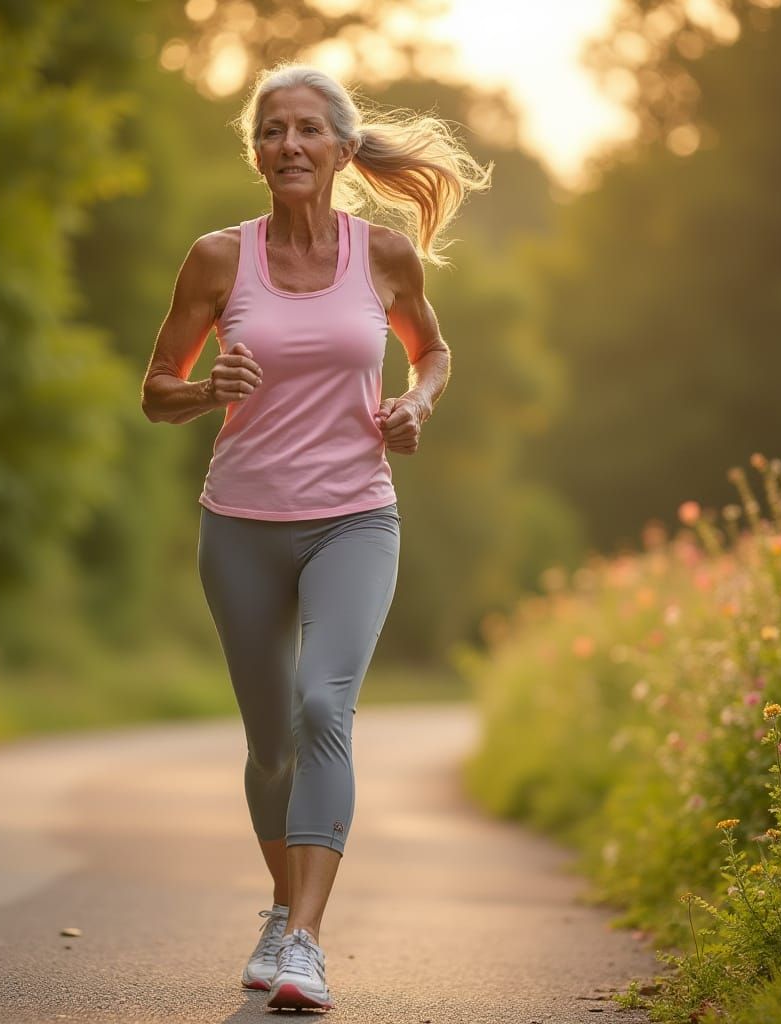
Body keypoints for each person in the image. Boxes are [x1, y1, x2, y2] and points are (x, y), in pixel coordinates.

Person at [140, 63, 492, 1012]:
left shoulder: (383, 257)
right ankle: (279, 904)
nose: (286, 145)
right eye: (270, 131)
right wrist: (205, 388)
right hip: (241, 524)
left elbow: (434, 348)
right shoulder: (218, 258)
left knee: (321, 706)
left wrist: (416, 400)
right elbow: (154, 390)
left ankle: (304, 941)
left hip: (355, 516)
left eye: (305, 130)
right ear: (256, 154)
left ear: (340, 149)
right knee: (270, 746)